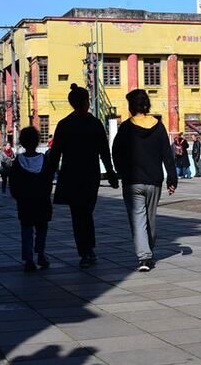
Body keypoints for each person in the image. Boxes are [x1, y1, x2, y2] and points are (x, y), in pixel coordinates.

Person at [49, 84, 119, 268]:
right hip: (90, 174)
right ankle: (88, 249)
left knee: (78, 214)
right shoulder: (94, 124)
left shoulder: (64, 125)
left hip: (71, 175)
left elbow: (55, 154)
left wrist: (47, 177)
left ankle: (86, 249)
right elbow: (104, 152)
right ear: (86, 102)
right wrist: (111, 173)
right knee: (86, 212)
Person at [113, 89, 178, 272]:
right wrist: (172, 179)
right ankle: (147, 252)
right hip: (154, 181)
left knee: (138, 220)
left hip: (132, 182)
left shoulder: (126, 127)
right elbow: (167, 154)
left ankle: (145, 257)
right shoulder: (158, 126)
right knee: (150, 219)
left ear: (131, 106)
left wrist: (121, 172)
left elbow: (116, 152)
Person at [9, 127, 53, 272]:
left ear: (21, 142)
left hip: (25, 202)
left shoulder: (18, 161)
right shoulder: (44, 160)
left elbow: (13, 183)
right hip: (42, 201)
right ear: (37, 141)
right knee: (42, 228)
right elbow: (48, 181)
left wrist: (17, 196)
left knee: (26, 229)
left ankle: (28, 259)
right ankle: (41, 254)